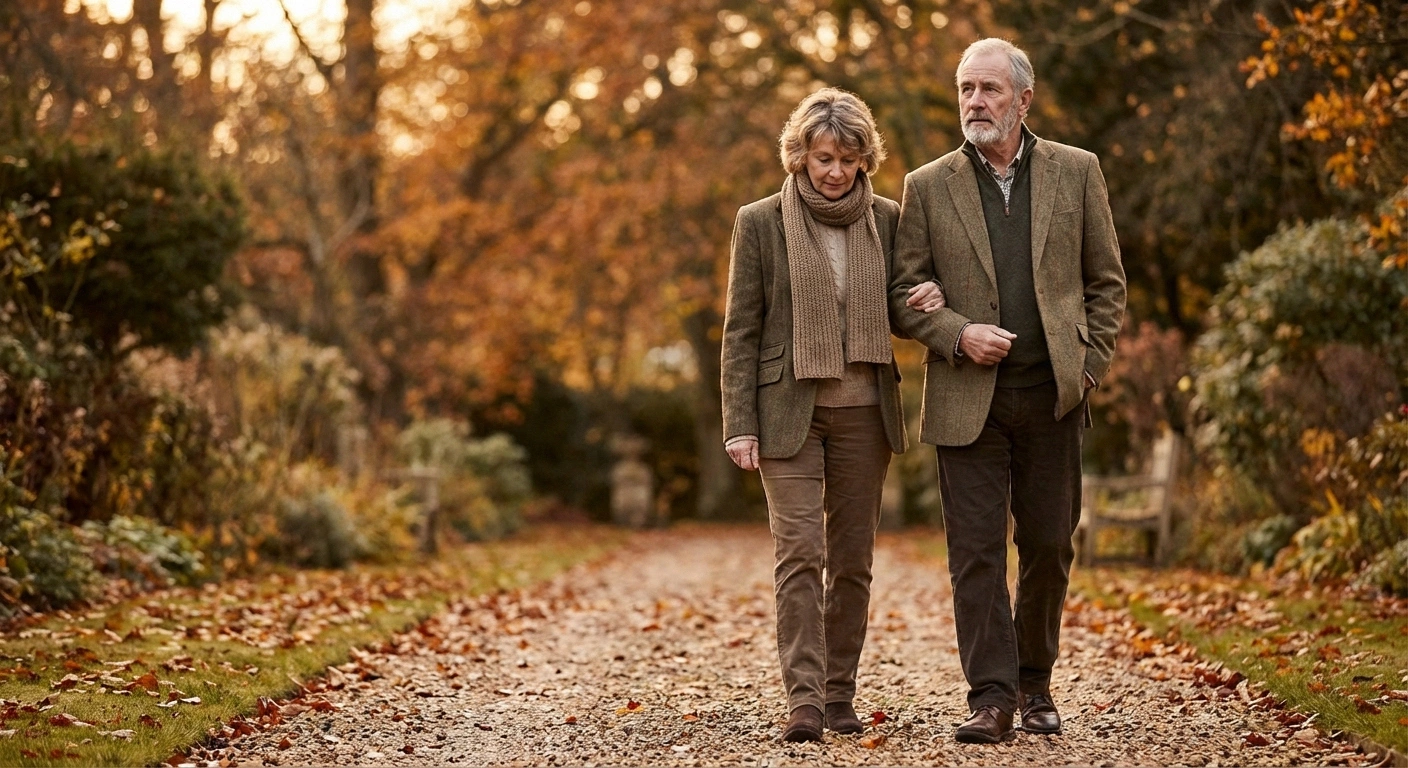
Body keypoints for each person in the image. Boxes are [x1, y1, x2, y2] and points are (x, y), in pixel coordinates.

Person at [886, 38, 1127, 743]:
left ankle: (1035, 684)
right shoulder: (926, 185)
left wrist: (1087, 368)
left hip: (1054, 396)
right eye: (966, 89)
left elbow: (1106, 283)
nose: (975, 103)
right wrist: (957, 333)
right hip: (968, 402)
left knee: (1050, 545)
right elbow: (903, 296)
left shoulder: (1077, 172)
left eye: (989, 89)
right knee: (977, 553)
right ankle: (989, 697)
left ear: (1024, 99)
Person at [720, 87, 944, 743]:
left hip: (864, 415)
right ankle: (805, 702)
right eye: (823, 157)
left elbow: (900, 307)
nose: (835, 171)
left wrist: (927, 299)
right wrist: (739, 421)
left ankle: (840, 694)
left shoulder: (889, 217)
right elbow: (741, 330)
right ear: (800, 155)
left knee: (851, 561)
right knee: (799, 554)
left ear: (864, 157)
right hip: (788, 413)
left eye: (848, 158)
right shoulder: (759, 221)